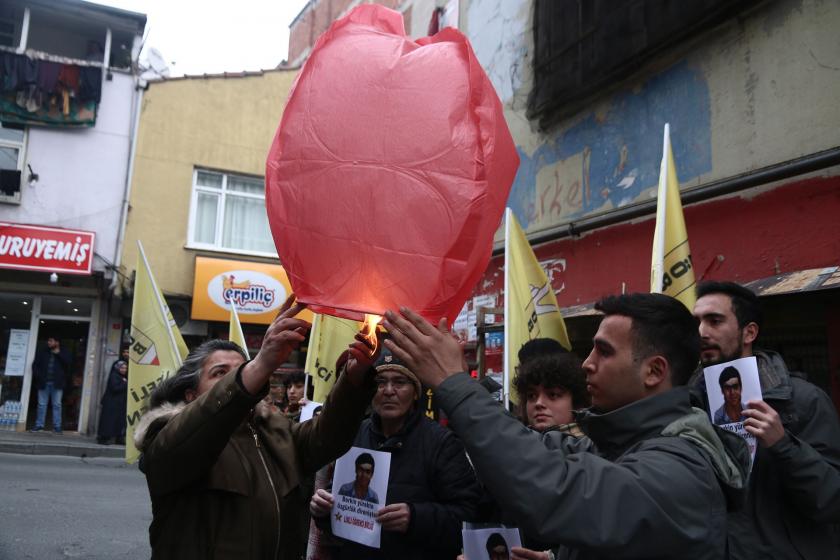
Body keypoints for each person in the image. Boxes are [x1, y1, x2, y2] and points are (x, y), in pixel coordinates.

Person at [382, 294, 749, 559]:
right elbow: (537, 451)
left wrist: (454, 384)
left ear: (654, 371)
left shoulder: (680, 468)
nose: (586, 364)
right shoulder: (619, 444)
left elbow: (555, 489)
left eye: (604, 352)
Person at [134, 296, 378, 560]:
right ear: (191, 395)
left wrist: (352, 381)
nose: (235, 378)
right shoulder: (166, 433)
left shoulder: (274, 430)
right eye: (219, 373)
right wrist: (261, 363)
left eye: (241, 370)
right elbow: (181, 445)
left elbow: (327, 439)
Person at [692, 281, 840, 559]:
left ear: (749, 332)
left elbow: (832, 500)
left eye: (714, 321)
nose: (701, 332)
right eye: (696, 322)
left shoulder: (802, 401)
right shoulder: (690, 403)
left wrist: (783, 445)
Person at [310, 346, 484, 559]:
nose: (388, 390)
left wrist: (415, 518)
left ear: (415, 392)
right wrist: (322, 509)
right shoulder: (354, 435)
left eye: (400, 382)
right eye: (380, 383)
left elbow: (469, 517)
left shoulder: (441, 443)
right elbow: (337, 502)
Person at [514, 350, 588, 435]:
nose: (538, 403)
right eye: (531, 396)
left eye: (552, 394)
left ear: (576, 402)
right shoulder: (513, 441)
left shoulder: (592, 445)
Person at [31, 336, 72, 433]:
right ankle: (39, 425)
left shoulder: (64, 352)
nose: (48, 342)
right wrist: (39, 376)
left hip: (57, 383)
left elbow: (69, 363)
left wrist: (59, 354)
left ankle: (57, 427)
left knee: (57, 405)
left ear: (57, 342)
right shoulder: (43, 351)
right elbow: (35, 365)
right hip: (43, 382)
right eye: (48, 340)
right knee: (41, 404)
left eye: (51, 341)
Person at [97, 360, 128, 444]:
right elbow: (115, 388)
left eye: (125, 368)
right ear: (118, 368)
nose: (124, 370)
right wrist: (125, 384)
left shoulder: (120, 377)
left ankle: (118, 438)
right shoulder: (114, 376)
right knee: (108, 421)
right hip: (111, 404)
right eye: (122, 368)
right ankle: (103, 438)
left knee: (117, 421)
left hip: (117, 404)